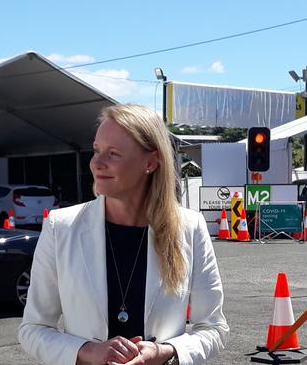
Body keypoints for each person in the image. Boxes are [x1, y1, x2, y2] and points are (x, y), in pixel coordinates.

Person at [19, 104, 228, 365]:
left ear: (150, 162)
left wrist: (165, 352)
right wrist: (85, 351)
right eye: (96, 151)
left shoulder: (190, 228)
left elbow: (213, 328)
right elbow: (33, 329)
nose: (97, 163)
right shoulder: (61, 228)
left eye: (113, 153)